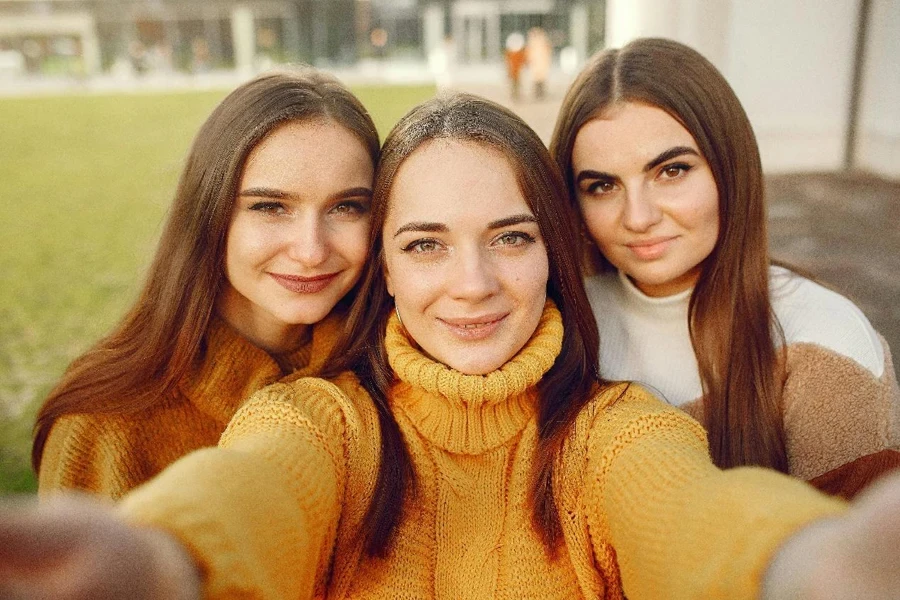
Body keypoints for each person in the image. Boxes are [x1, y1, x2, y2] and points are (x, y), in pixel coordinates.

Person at [4, 93, 900, 600]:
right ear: (383, 268)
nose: (471, 283)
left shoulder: (614, 429)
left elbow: (693, 517)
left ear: (554, 250)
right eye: (425, 242)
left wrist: (812, 564)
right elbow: (255, 487)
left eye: (510, 236)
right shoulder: (317, 417)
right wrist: (160, 560)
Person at [549, 37, 900, 499]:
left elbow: (847, 564)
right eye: (602, 186)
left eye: (671, 171)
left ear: (729, 167)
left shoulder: (824, 340)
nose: (638, 217)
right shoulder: (554, 327)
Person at [32, 67, 379, 499]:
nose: (311, 251)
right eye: (271, 207)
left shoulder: (395, 378)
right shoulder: (104, 428)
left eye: (346, 206)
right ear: (209, 214)